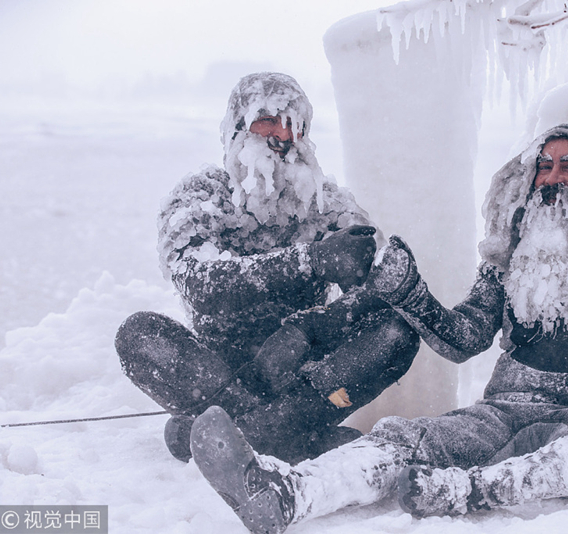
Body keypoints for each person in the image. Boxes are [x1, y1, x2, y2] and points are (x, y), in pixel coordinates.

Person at [186, 123, 568, 533]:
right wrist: (409, 293)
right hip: (500, 414)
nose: (552, 177)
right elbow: (463, 338)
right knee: (407, 438)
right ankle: (289, 494)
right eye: (543, 166)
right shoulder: (510, 257)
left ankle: (470, 490)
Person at [114, 72, 420, 464]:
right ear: (238, 128)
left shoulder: (326, 202)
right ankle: (283, 436)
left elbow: (383, 288)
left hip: (306, 382)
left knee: (397, 333)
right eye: (268, 121)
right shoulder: (200, 196)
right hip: (216, 375)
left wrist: (309, 328)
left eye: (294, 125)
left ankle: (237, 434)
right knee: (138, 335)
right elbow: (201, 283)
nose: (282, 135)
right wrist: (310, 260)